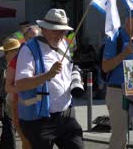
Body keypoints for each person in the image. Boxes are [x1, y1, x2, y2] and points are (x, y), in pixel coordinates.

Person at [15, 8, 83, 148]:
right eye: (55, 30)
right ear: (44, 29)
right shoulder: (29, 49)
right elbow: (20, 84)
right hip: (40, 120)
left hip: (66, 114)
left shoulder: (64, 44)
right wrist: (47, 75)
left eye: (63, 31)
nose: (60, 34)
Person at [102, 7, 133, 149]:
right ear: (128, 21)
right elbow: (105, 67)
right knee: (120, 134)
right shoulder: (114, 38)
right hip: (117, 91)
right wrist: (123, 54)